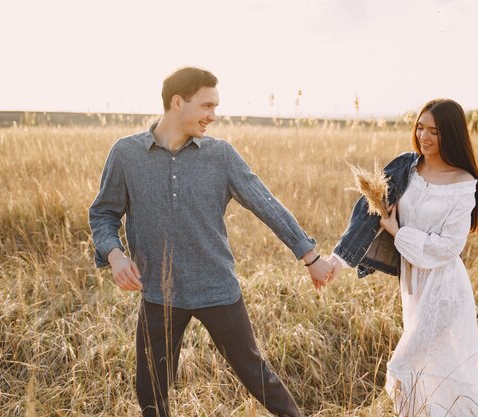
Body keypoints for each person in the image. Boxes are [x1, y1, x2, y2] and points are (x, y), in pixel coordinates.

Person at [89, 67, 333, 417]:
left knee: (257, 376)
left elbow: (265, 204)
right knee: (151, 394)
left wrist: (310, 257)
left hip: (217, 288)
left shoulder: (221, 155)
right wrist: (114, 255)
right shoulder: (126, 154)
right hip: (159, 293)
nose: (212, 116)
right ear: (177, 102)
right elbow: (103, 213)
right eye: (206, 106)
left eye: (214, 107)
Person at [325, 99, 478, 416]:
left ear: (453, 135)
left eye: (435, 131)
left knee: (405, 369)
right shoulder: (407, 168)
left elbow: (449, 247)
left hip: (444, 289)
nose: (424, 136)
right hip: (414, 287)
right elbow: (367, 213)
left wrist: (397, 232)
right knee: (432, 371)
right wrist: (338, 260)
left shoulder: (463, 183)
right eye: (420, 127)